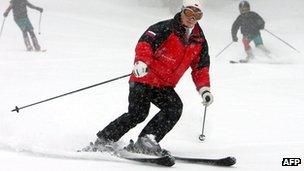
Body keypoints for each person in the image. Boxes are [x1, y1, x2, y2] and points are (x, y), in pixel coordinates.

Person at [90, 0, 213, 155]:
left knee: (174, 108)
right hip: (144, 78)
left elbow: (201, 67)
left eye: (197, 15)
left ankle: (147, 139)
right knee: (138, 113)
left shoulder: (199, 40)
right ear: (181, 11)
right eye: (188, 12)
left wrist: (204, 89)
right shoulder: (165, 28)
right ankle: (105, 139)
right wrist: (141, 62)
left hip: (163, 86)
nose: (192, 18)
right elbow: (145, 44)